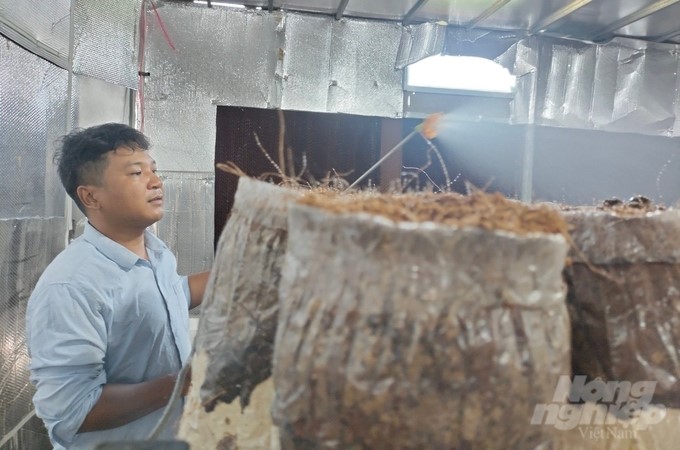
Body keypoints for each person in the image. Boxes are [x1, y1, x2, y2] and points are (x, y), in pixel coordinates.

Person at [25, 123, 211, 449]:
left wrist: (249, 269)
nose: (156, 182)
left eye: (154, 170)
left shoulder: (154, 251)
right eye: (136, 173)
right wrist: (184, 382)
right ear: (90, 196)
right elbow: (74, 411)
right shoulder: (71, 286)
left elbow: (170, 298)